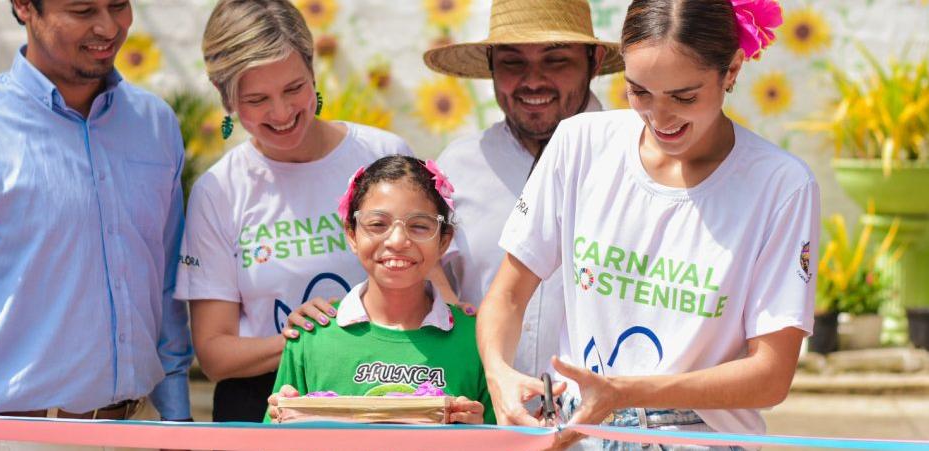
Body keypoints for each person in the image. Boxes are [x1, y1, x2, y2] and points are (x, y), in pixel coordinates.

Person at [477, 0, 818, 448]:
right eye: (639, 92)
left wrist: (627, 394)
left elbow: (771, 376)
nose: (660, 119)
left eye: (684, 97)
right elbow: (506, 295)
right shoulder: (580, 143)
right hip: (581, 434)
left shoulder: (780, 185)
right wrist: (499, 373)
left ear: (731, 70)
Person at [0, 0, 192, 450]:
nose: (108, 26)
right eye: (82, 10)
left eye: (119, 5)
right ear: (24, 7)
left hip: (142, 429)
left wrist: (177, 425)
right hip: (13, 437)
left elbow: (166, 289)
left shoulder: (155, 126)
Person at [176, 0, 413, 422]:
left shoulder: (383, 157)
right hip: (263, 411)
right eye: (257, 99)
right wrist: (299, 340)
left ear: (312, 69)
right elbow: (214, 353)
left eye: (293, 89)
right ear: (224, 96)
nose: (282, 113)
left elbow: (433, 290)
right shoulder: (219, 190)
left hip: (385, 399)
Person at [424, 0, 623, 380]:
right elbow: (424, 279)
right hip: (484, 415)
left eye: (556, 60)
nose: (533, 81)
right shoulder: (457, 167)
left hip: (605, 426)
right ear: (491, 64)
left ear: (594, 61)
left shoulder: (635, 161)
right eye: (513, 62)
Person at [265, 155, 494, 425]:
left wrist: (481, 434)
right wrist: (284, 426)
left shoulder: (478, 340)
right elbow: (276, 434)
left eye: (420, 226)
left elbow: (504, 439)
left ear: (444, 241)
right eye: (377, 224)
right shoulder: (312, 335)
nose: (397, 241)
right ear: (351, 234)